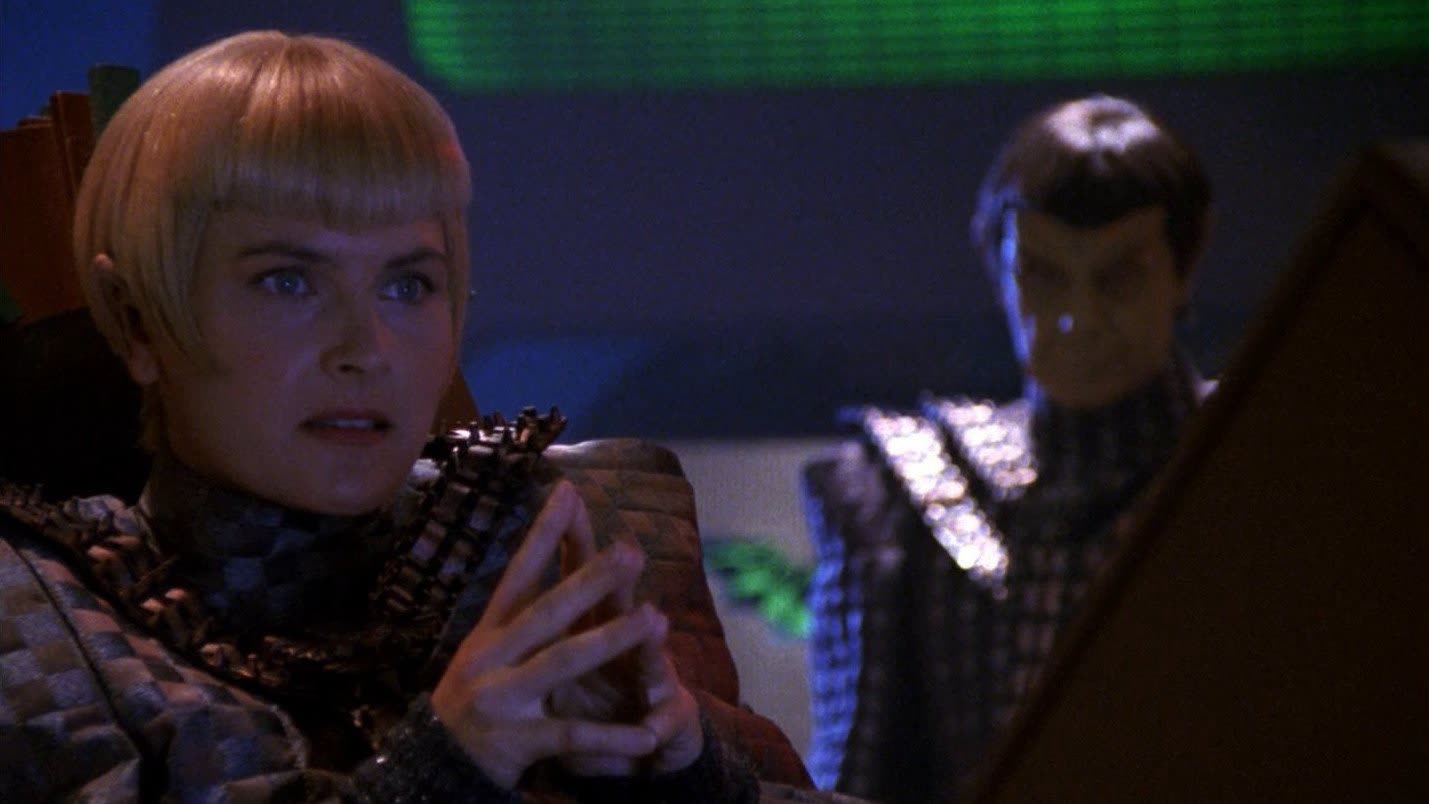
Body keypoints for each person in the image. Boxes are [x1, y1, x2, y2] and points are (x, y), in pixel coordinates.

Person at [0, 30, 811, 801]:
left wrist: (680, 773)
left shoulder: (553, 541)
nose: (368, 348)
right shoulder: (37, 618)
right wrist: (441, 772)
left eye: (407, 285)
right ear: (136, 319)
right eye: (288, 281)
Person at [802, 95, 1215, 802]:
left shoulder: (1257, 462)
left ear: (1180, 269)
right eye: (1044, 275)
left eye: (1119, 276)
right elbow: (854, 781)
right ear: (1000, 270)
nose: (1078, 316)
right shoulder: (908, 490)